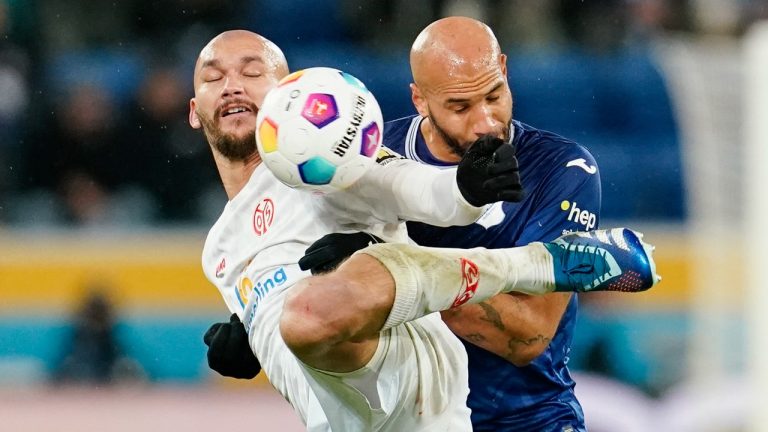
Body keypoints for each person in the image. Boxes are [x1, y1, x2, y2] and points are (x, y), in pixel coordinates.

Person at [190, 30, 659, 431]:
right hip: (364, 415)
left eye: (251, 72)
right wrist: (255, 336)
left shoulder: (338, 153)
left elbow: (529, 336)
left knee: (309, 312)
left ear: (287, 90)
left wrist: (462, 193)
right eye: (214, 77)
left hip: (519, 416)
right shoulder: (219, 251)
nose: (485, 122)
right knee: (303, 318)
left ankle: (542, 264)